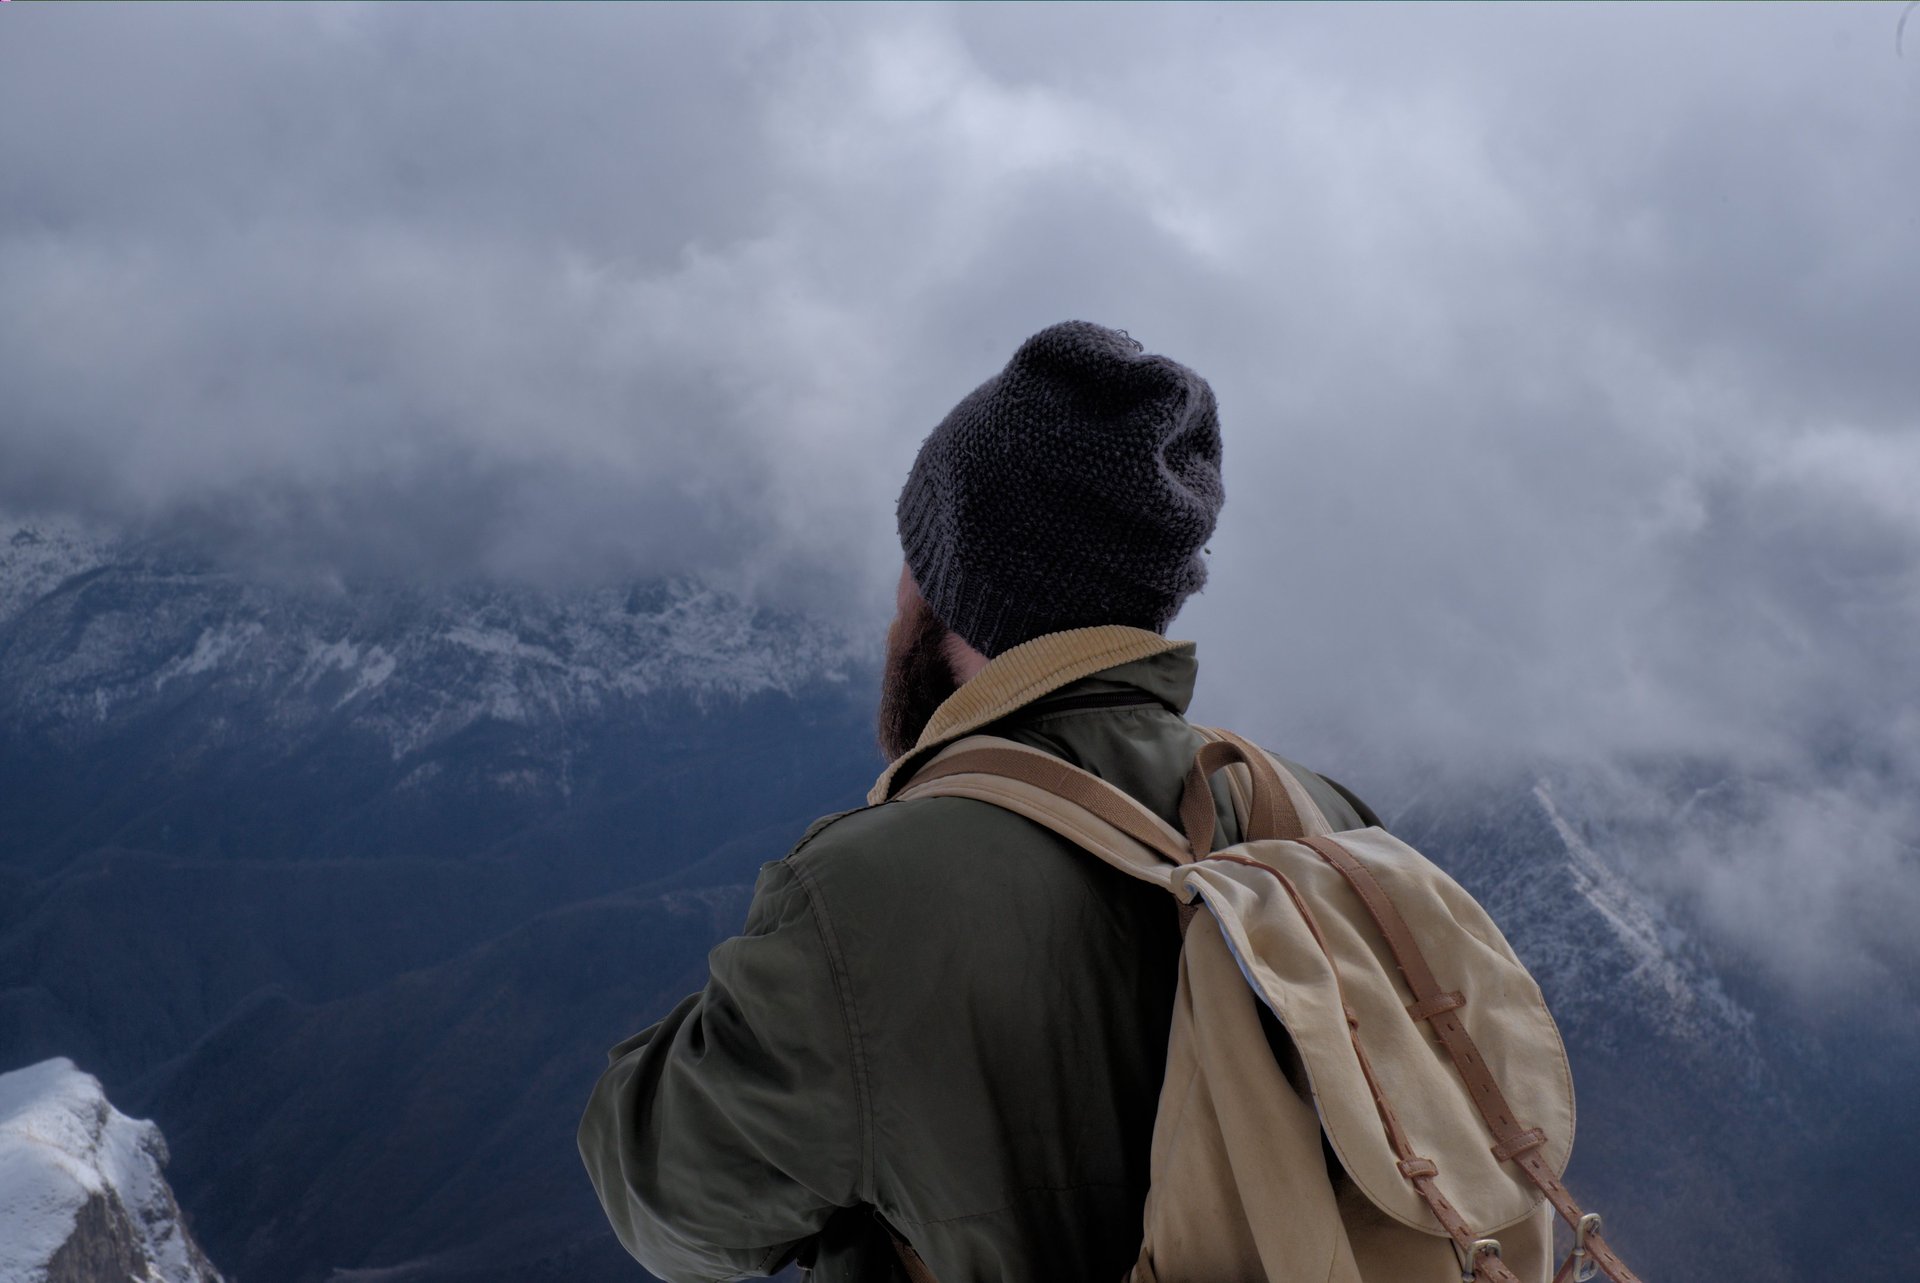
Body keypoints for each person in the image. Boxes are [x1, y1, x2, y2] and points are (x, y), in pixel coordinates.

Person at [578, 321, 1377, 1282]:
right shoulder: (1329, 821)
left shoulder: (862, 898)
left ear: (951, 581)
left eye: (912, 556)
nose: (896, 597)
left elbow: (669, 1208)